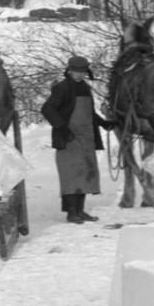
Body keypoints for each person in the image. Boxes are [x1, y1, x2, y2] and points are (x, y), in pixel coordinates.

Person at [40, 55, 111, 224]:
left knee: (85, 174)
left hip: (86, 139)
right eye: (76, 72)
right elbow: (47, 109)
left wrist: (104, 124)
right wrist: (62, 128)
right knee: (70, 176)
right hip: (69, 139)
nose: (79, 75)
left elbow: (90, 114)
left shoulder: (85, 88)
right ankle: (71, 213)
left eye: (82, 72)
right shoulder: (62, 88)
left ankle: (80, 211)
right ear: (69, 70)